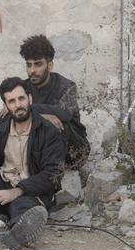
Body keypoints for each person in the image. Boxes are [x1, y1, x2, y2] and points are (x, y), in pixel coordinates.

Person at [0, 77, 67, 249]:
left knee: (23, 206)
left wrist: (18, 191)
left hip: (29, 192)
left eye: (21, 98)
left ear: (30, 99)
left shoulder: (48, 132)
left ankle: (19, 230)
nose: (18, 105)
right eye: (11, 101)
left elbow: (53, 174)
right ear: (6, 105)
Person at [17, 34, 90, 170]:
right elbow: (12, 114)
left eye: (38, 64)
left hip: (73, 151)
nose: (32, 71)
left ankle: (51, 177)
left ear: (49, 65)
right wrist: (42, 116)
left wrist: (28, 109)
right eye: (29, 65)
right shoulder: (23, 89)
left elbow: (65, 113)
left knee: (58, 123)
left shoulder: (67, 86)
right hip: (39, 153)